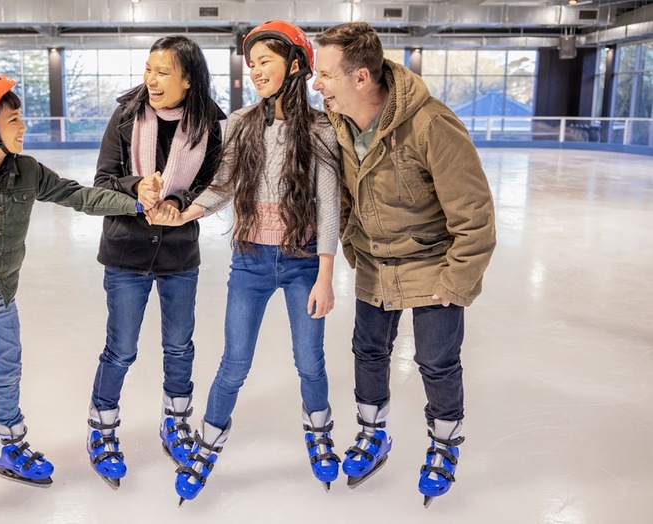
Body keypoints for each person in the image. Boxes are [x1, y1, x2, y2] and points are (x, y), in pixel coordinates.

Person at [0, 72, 155, 524]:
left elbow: (78, 196)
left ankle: (8, 447)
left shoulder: (28, 171)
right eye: (14, 119)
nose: (24, 127)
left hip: (1, 301)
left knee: (7, 377)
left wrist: (136, 203)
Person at [151, 20, 342, 504]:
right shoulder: (239, 123)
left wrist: (325, 275)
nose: (255, 71)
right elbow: (223, 185)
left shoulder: (321, 128)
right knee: (234, 363)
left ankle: (319, 435)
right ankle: (206, 446)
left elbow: (329, 200)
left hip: (302, 263)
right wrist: (182, 216)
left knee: (310, 361)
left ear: (295, 66)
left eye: (266, 62)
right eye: (251, 63)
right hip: (251, 263)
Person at [312, 23, 497, 506]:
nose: (317, 84)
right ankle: (374, 436)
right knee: (367, 353)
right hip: (375, 263)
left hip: (433, 265)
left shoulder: (431, 125)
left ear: (361, 77)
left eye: (326, 74)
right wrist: (353, 248)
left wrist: (457, 279)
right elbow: (346, 200)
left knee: (436, 362)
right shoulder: (338, 125)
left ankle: (443, 445)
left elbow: (475, 215)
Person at [84, 35, 225, 490]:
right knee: (121, 348)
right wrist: (137, 187)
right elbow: (103, 179)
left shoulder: (209, 126)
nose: (152, 79)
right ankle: (102, 429)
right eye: (148, 69)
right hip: (126, 251)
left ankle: (176, 422)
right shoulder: (126, 116)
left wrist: (179, 198)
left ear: (188, 78)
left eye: (163, 72)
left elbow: (208, 184)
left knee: (179, 346)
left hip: (179, 254)